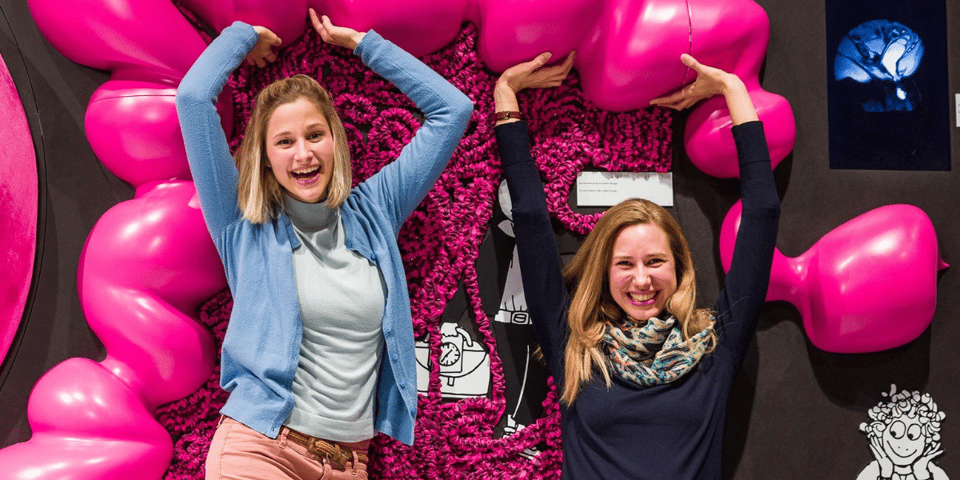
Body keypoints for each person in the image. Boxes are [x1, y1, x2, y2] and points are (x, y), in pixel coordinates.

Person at [176, 8, 472, 480]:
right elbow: (193, 99)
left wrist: (363, 46)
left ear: (335, 141)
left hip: (350, 463)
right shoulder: (243, 224)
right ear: (266, 159)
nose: (303, 153)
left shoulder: (375, 209)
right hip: (260, 450)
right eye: (284, 142)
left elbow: (452, 111)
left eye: (315, 135)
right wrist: (245, 35)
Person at [493, 52, 781, 479]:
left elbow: (762, 214)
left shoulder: (712, 347)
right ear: (605, 272)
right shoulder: (575, 347)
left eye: (655, 261)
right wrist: (506, 97)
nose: (641, 279)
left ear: (678, 267)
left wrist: (732, 90)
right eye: (624, 263)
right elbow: (531, 219)